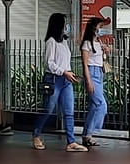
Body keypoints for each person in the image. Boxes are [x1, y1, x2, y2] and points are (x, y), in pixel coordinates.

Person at [32, 12, 85, 151]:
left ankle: (71, 141)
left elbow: (64, 61)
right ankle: (36, 134)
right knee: (48, 108)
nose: (66, 26)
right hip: (54, 78)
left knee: (69, 110)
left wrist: (68, 72)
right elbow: (49, 63)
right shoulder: (51, 41)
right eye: (64, 23)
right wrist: (63, 72)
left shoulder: (64, 41)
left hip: (66, 78)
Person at [79, 16, 110, 148]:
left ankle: (88, 135)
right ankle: (95, 129)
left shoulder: (98, 42)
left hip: (99, 72)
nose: (101, 29)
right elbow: (85, 64)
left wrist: (105, 52)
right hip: (92, 73)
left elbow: (101, 59)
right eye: (100, 27)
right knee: (101, 104)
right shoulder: (86, 43)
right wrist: (88, 80)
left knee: (94, 105)